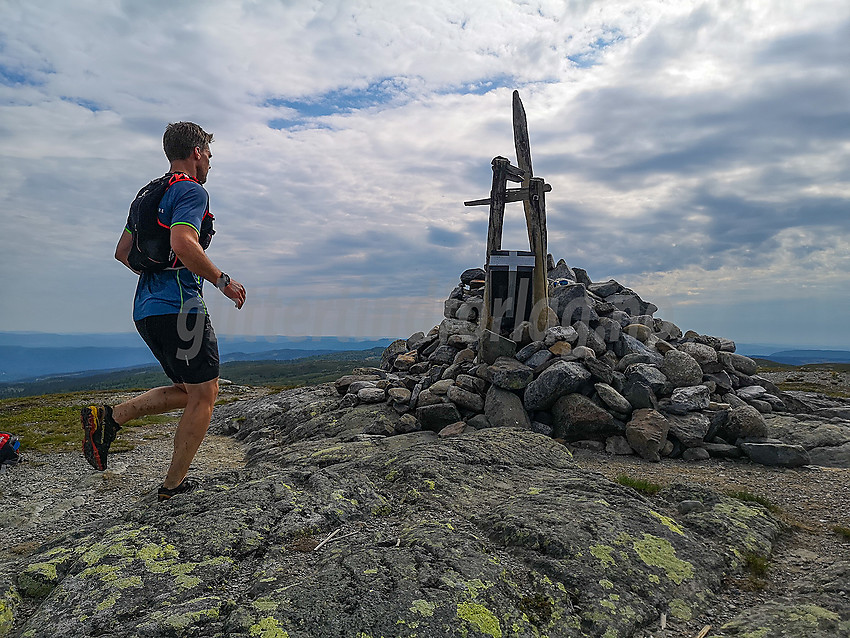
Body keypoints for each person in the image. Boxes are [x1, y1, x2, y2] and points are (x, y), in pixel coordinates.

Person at [81, 121, 246, 502]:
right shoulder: (190, 190)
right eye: (209, 155)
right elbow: (184, 242)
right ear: (197, 153)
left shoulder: (146, 195)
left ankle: (110, 418)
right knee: (205, 394)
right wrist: (222, 281)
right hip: (181, 308)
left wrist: (156, 273)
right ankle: (173, 487)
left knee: (190, 390)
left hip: (146, 308)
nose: (210, 164)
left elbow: (123, 253)